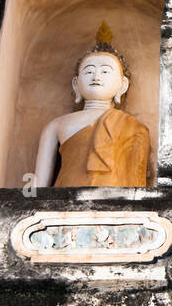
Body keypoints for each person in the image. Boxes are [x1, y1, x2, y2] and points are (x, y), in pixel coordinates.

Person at [32, 22, 151, 188]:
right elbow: (38, 186)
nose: (96, 77)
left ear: (122, 85)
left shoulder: (133, 127)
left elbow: (137, 181)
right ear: (76, 84)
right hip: (63, 202)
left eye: (105, 71)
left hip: (116, 205)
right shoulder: (56, 125)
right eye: (88, 71)